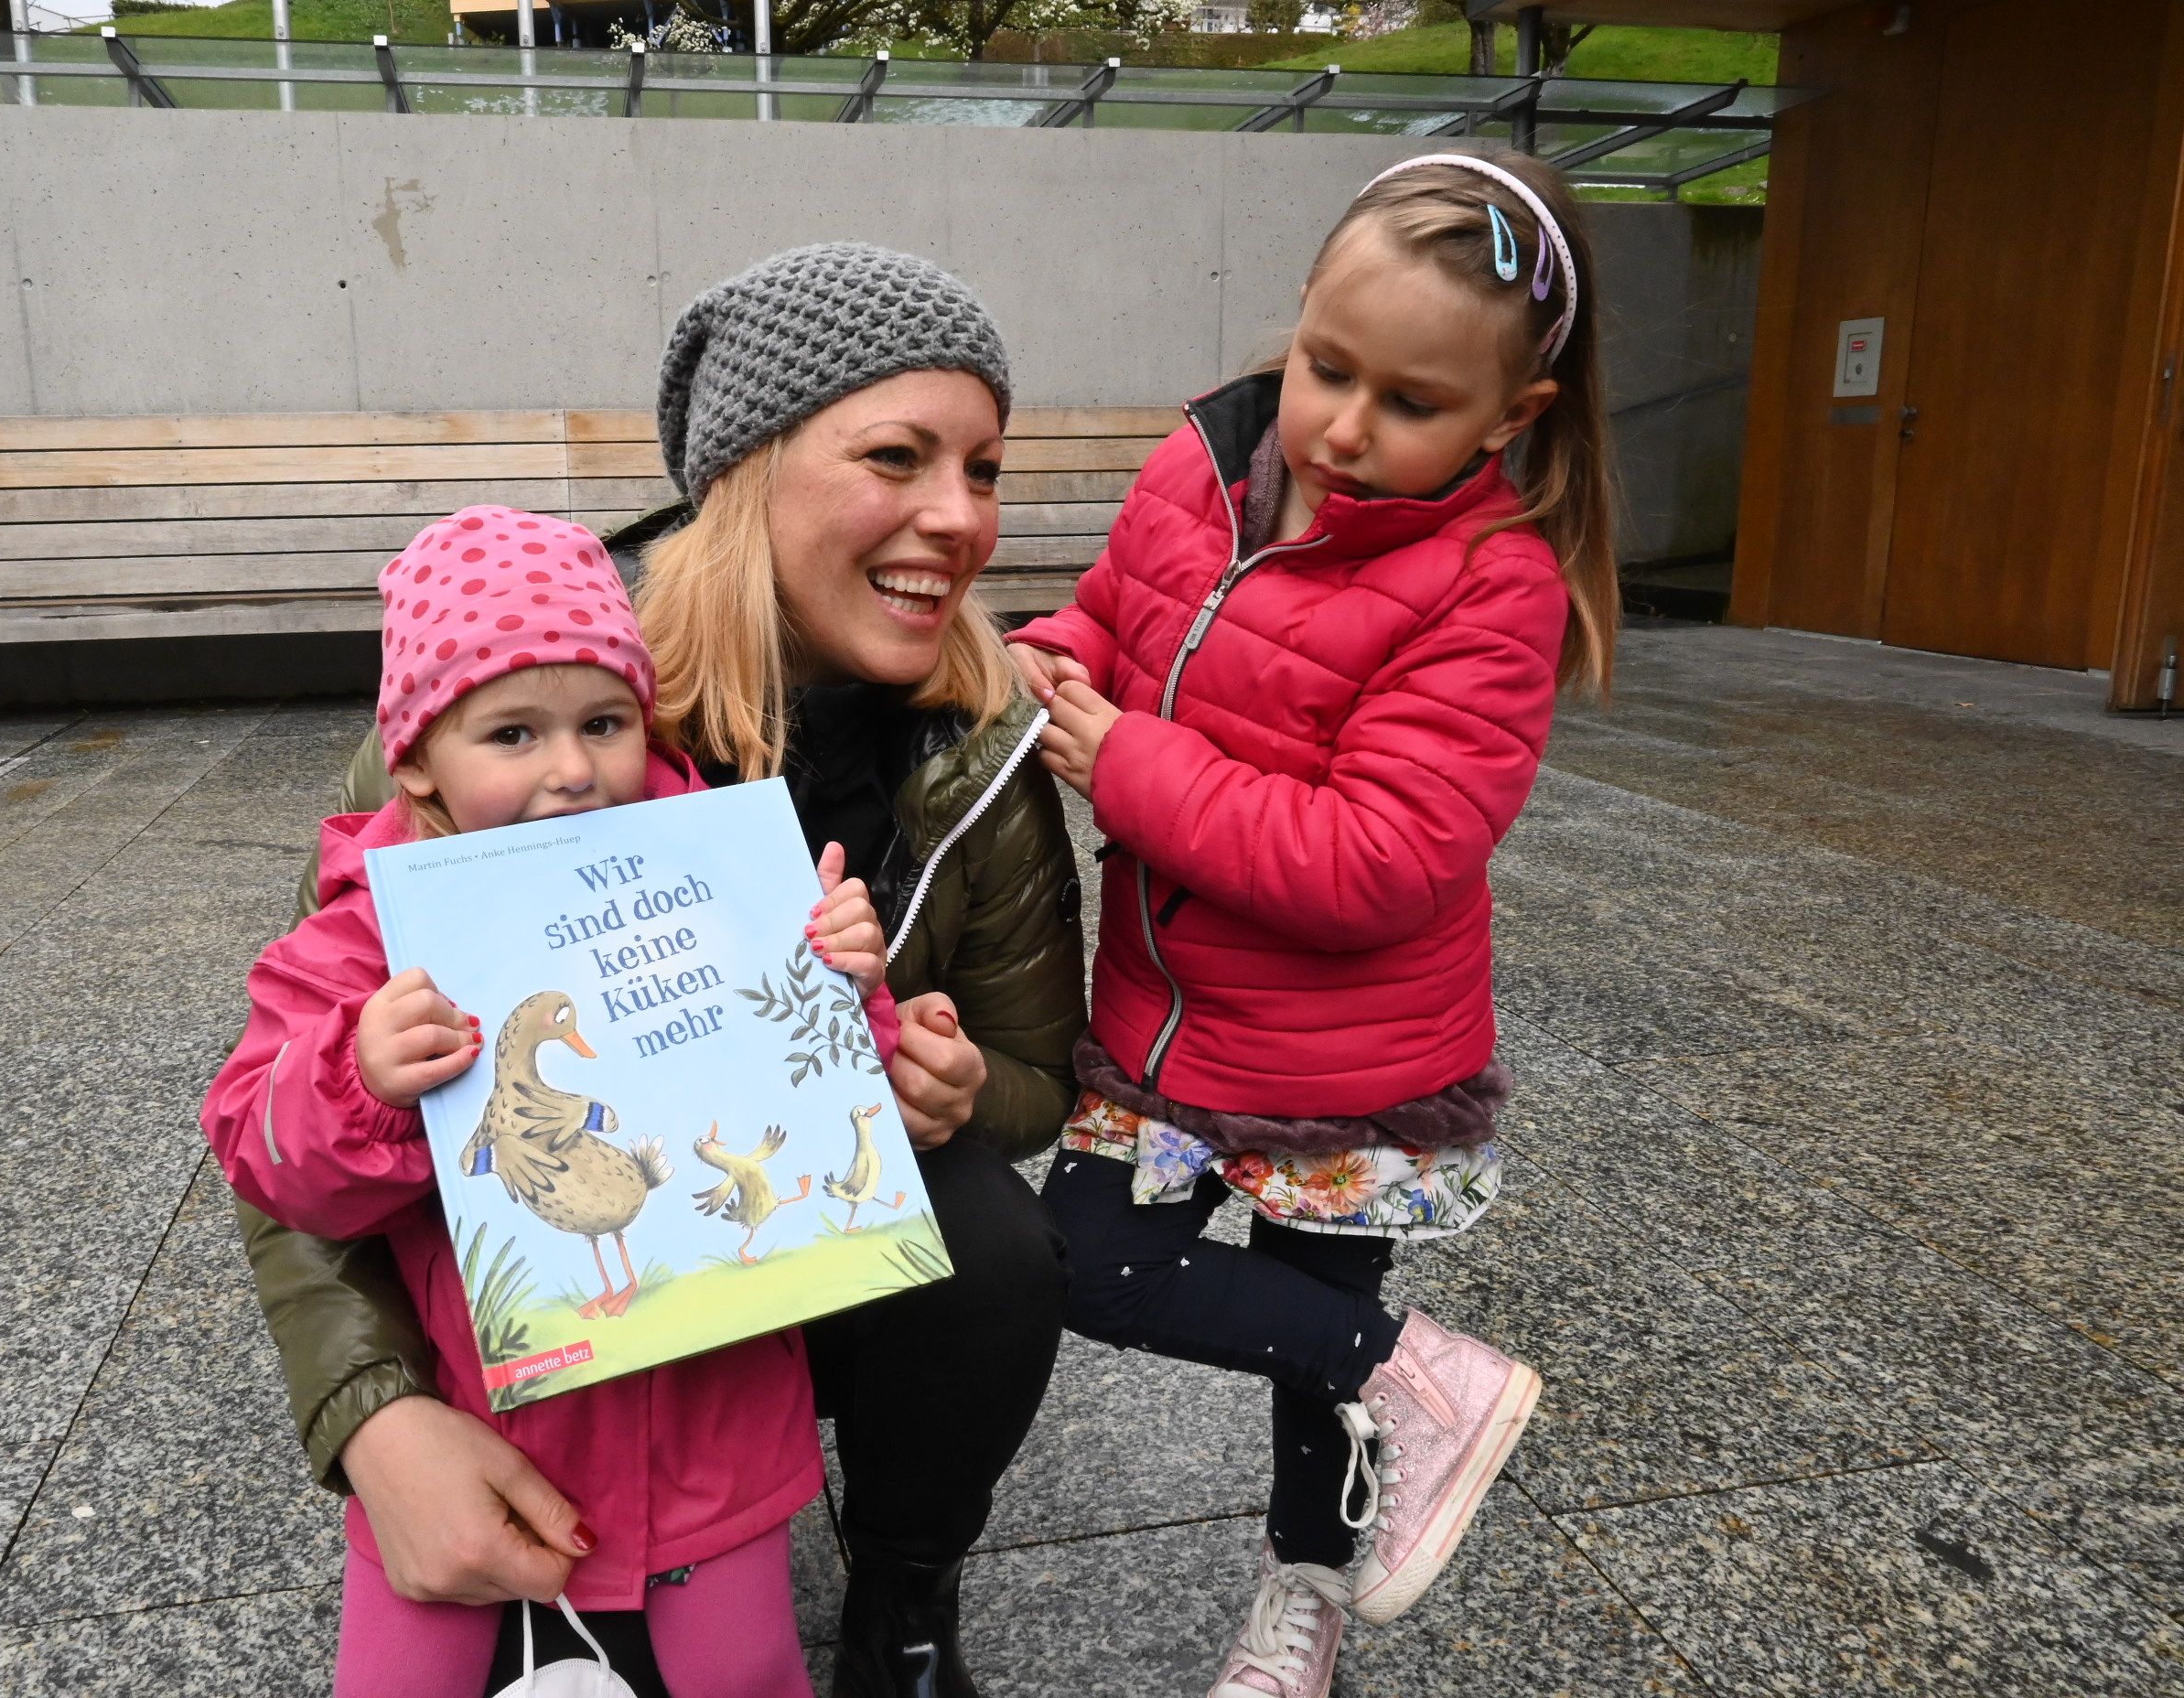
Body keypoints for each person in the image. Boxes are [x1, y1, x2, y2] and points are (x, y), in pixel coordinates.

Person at [233, 245, 1085, 1697]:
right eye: (898, 457)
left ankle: (904, 1583)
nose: (959, 518)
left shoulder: (986, 743)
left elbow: (1035, 1079)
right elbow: (278, 1123)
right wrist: (374, 1420)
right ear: (748, 474)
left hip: (769, 1245)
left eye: (985, 469)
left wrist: (938, 1082)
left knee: (996, 1250)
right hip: (527, 1281)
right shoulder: (504, 685)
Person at [1005, 153, 1619, 1698]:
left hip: (1353, 1064)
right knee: (1085, 1261)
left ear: (1512, 416)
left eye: (1410, 403)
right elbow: (1116, 613)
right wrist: (1048, 654)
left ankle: (1304, 1600)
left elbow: (1379, 859)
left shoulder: (1492, 585)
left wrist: (1127, 764)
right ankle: (1421, 1374)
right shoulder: (1205, 463)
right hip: (1160, 1023)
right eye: (1327, 368)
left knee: (1311, 1373)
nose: (1344, 428)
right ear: (1297, 320)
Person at [201, 510, 907, 1696]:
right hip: (480, 1418)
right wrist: (359, 1076)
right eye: (513, 733)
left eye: (604, 723)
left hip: (716, 1430)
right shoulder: (365, 939)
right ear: (415, 761)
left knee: (744, 1674)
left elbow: (834, 1098)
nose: (572, 769)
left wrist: (846, 987)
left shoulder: (710, 881)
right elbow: (261, 1148)